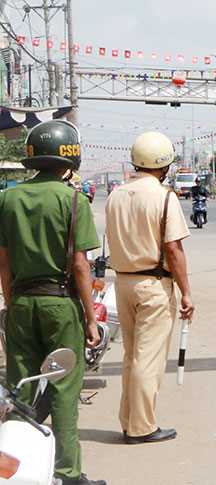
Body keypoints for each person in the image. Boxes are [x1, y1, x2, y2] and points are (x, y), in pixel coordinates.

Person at [0, 120, 106, 485]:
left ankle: (18, 469)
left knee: (19, 387)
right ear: (70, 157)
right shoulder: (73, 199)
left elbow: (4, 261)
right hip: (60, 304)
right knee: (64, 389)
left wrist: (12, 305)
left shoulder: (8, 198)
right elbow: (80, 264)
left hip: (22, 303)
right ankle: (67, 473)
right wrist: (91, 319)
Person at [105, 131, 195, 444]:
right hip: (153, 285)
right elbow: (173, 249)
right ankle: (142, 427)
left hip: (123, 282)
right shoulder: (164, 196)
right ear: (165, 165)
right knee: (148, 359)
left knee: (132, 356)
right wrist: (186, 292)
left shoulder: (117, 193)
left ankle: (129, 421)